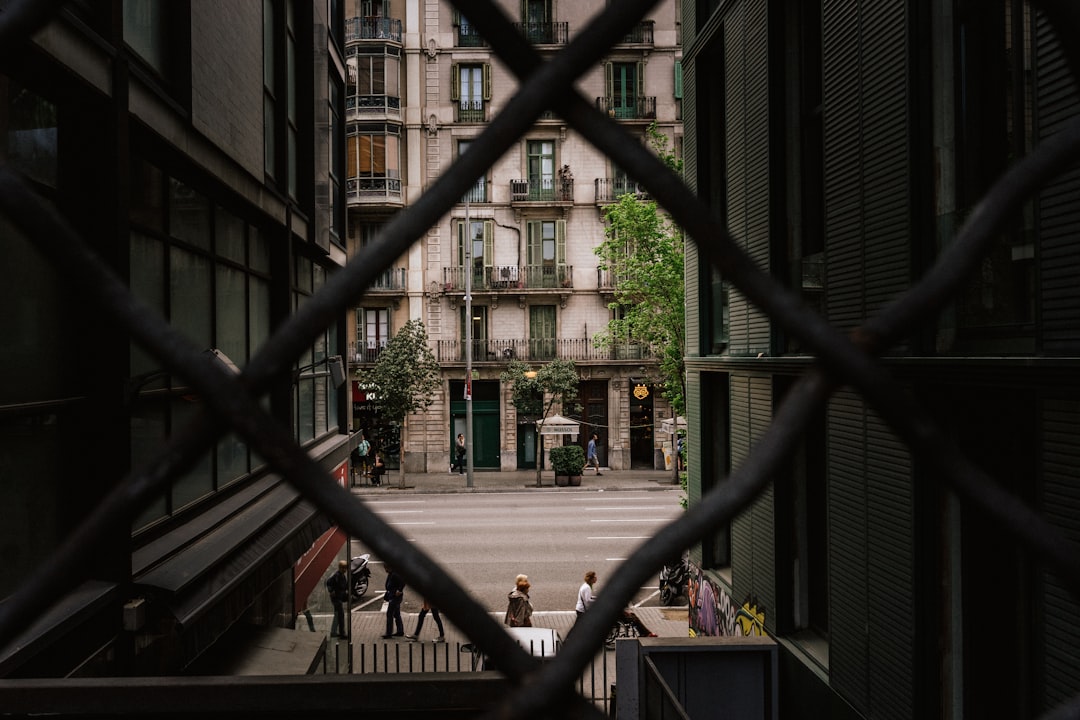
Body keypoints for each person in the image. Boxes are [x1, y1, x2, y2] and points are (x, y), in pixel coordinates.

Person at [325, 559, 349, 638]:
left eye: (345, 568)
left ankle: (334, 631)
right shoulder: (337, 576)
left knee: (338, 615)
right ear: (339, 568)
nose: (344, 570)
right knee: (340, 615)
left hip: (339, 597)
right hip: (336, 599)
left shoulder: (341, 576)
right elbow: (328, 582)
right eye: (343, 568)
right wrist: (331, 591)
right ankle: (341, 633)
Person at [381, 565, 406, 639]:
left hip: (395, 597)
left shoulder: (395, 574)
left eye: (386, 568)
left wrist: (399, 590)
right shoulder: (392, 573)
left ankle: (389, 633)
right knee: (396, 614)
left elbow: (403, 581)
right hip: (393, 596)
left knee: (390, 614)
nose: (385, 570)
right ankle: (400, 630)